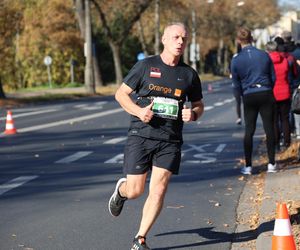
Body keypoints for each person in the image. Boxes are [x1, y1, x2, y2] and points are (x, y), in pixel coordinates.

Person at [108, 22, 204, 250]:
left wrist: (194, 114)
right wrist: (139, 111)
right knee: (135, 190)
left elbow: (199, 104)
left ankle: (139, 238)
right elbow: (120, 95)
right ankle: (121, 192)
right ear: (164, 39)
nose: (180, 42)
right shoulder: (145, 66)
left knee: (159, 188)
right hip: (141, 135)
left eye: (184, 38)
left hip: (170, 140)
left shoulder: (189, 75)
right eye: (175, 37)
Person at [231, 27, 277, 175]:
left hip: (249, 94)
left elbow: (236, 84)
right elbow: (273, 76)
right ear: (252, 39)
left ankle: (249, 166)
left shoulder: (236, 60)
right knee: (269, 128)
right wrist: (268, 87)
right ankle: (271, 163)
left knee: (249, 130)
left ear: (238, 41)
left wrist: (242, 95)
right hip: (265, 92)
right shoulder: (264, 55)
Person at [266, 41, 291, 150]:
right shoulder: (284, 60)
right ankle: (287, 142)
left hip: (273, 93)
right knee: (285, 119)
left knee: (274, 120)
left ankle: (276, 143)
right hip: (285, 92)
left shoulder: (266, 61)